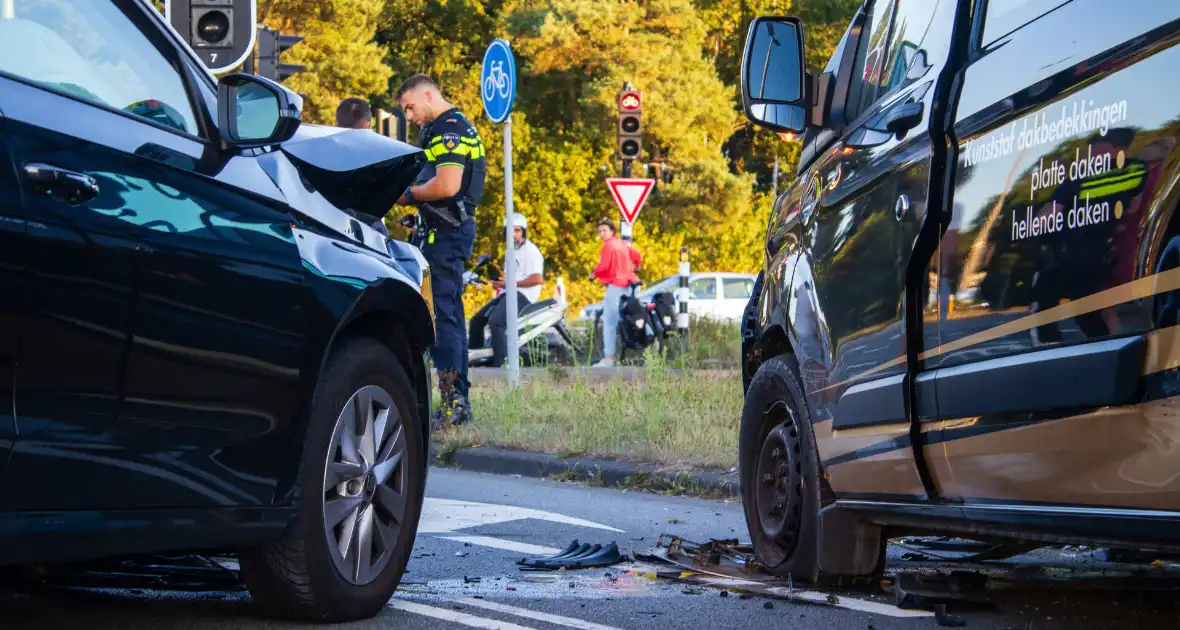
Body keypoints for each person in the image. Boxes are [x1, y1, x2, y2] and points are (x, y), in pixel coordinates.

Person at [394, 74, 486, 427]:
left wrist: (407, 195)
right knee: (449, 318)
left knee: (442, 319)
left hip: (446, 234)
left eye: (410, 107)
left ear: (428, 96)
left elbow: (447, 184)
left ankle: (453, 403)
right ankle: (455, 399)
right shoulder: (444, 127)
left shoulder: (450, 129)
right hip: (442, 231)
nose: (409, 116)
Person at [469, 213, 544, 367]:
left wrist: (509, 283)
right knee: (476, 321)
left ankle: (502, 365)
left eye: (517, 230)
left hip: (524, 295)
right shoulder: (510, 251)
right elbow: (510, 278)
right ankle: (474, 362)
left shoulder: (531, 251)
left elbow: (537, 279)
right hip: (509, 293)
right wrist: (500, 282)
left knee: (496, 322)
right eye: (510, 231)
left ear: (524, 232)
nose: (514, 235)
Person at [333, 97, 391, 238]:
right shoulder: (380, 160)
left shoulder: (322, 155)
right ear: (367, 126)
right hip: (367, 234)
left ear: (336, 125)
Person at [590, 219, 642, 367]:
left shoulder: (608, 246)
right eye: (599, 231)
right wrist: (637, 266)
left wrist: (594, 274)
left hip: (617, 286)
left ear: (612, 231)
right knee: (634, 317)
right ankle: (638, 352)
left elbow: (604, 266)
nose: (602, 234)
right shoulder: (623, 243)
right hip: (632, 284)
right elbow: (637, 256)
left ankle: (609, 358)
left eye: (604, 230)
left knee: (610, 322)